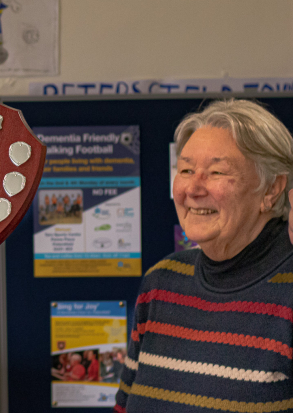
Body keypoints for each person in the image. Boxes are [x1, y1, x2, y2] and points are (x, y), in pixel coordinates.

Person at [115, 99, 293, 412]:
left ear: (272, 189)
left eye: (216, 171)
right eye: (185, 169)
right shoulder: (161, 283)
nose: (193, 188)